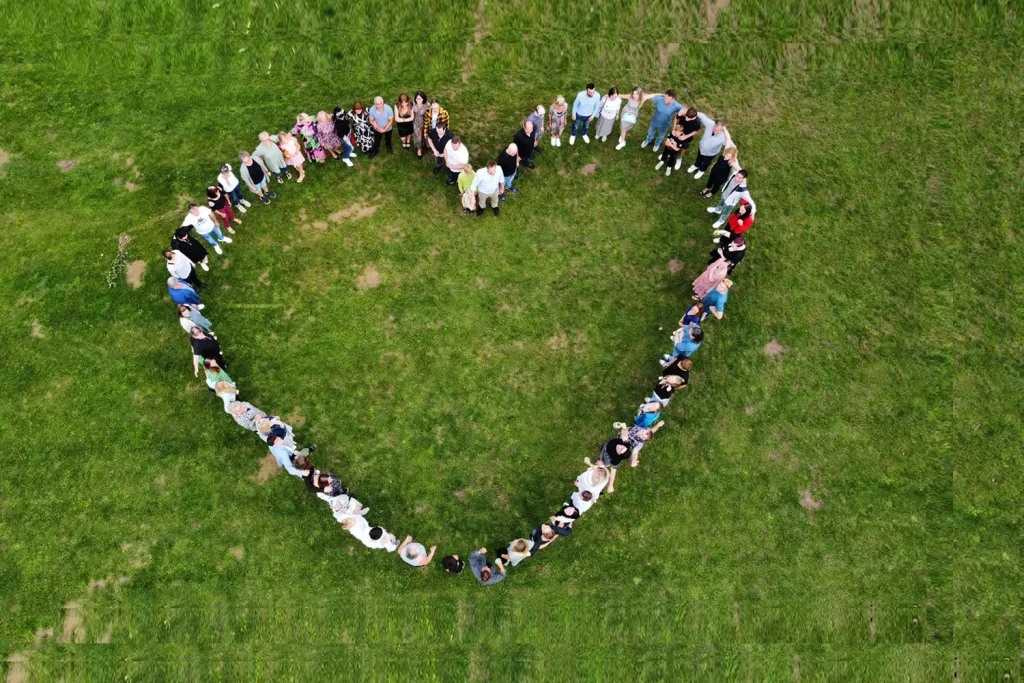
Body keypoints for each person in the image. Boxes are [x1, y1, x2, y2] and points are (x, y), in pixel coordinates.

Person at [686, 113, 731, 179]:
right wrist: (692, 113)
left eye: (718, 130)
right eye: (715, 129)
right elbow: (702, 116)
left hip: (710, 154)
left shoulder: (723, 137)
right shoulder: (710, 124)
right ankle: (696, 165)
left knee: (706, 162)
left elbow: (731, 144)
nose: (716, 131)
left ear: (722, 129)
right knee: (699, 158)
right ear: (714, 125)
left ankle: (702, 170)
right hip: (701, 148)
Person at [596, 423, 632, 493]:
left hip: (608, 454)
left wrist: (610, 485)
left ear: (619, 454)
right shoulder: (626, 444)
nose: (620, 446)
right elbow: (624, 435)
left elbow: (613, 472)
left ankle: (600, 461)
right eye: (623, 447)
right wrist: (624, 428)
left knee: (605, 463)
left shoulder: (615, 459)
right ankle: (602, 447)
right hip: (609, 444)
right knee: (605, 447)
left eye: (620, 450)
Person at [411, 91, 429, 159]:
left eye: (420, 99)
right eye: (417, 98)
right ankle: (419, 149)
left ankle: (427, 145)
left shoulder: (427, 105)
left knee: (425, 136)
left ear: (423, 99)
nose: (418, 100)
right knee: (418, 138)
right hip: (416, 124)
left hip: (425, 123)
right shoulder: (414, 103)